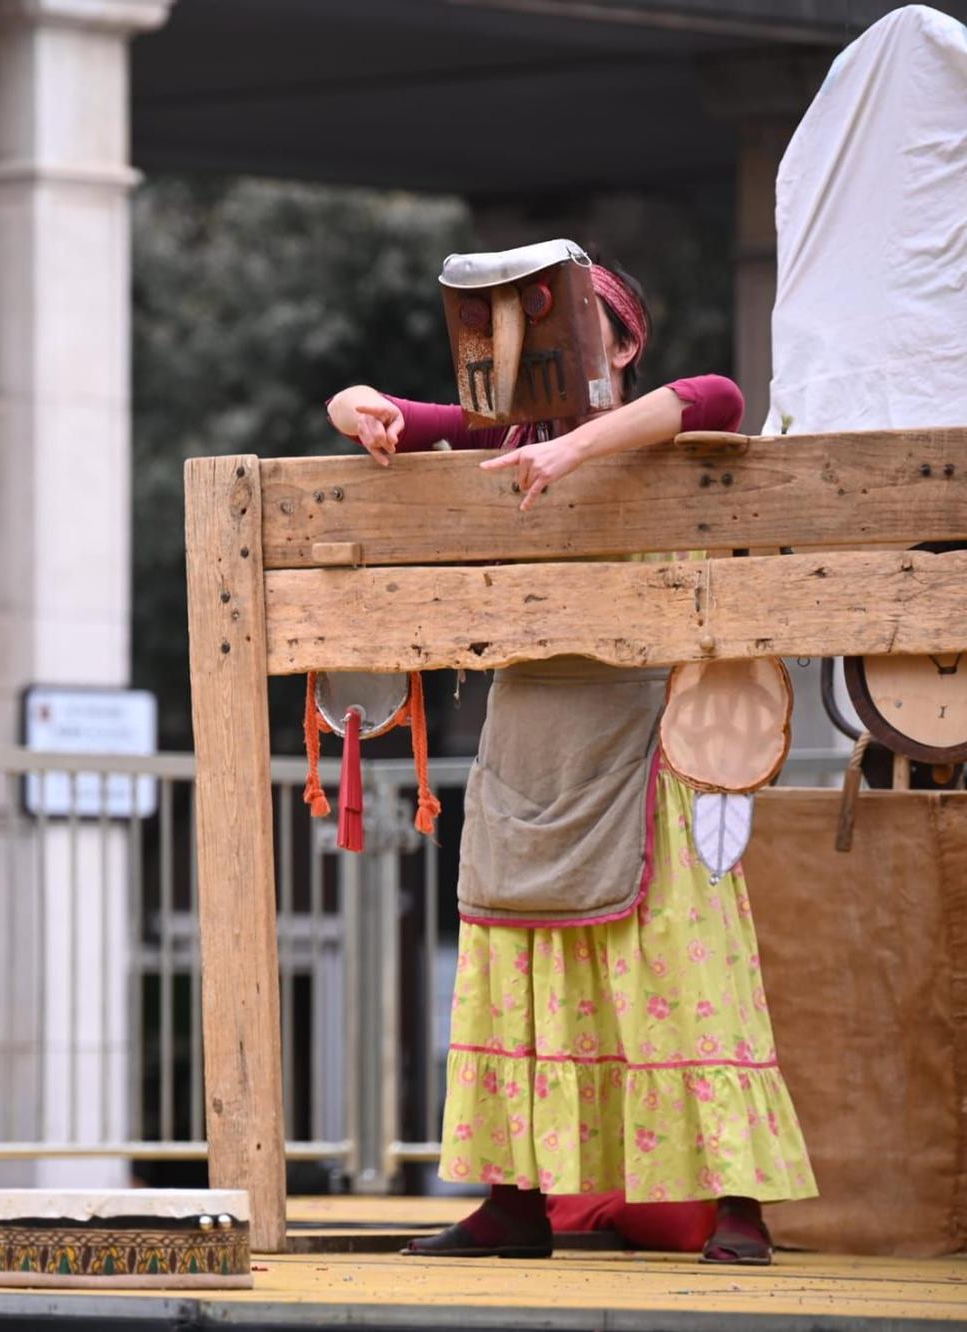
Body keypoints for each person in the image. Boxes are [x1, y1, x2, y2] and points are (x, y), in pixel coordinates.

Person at [326, 261, 816, 1266]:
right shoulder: (492, 439)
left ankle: (737, 1207)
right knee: (516, 962)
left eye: (581, 324)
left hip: (641, 735)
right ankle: (512, 1200)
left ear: (620, 345)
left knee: (683, 967)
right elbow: (366, 402)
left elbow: (712, 396)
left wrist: (575, 451)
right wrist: (360, 414)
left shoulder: (666, 429)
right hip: (530, 736)